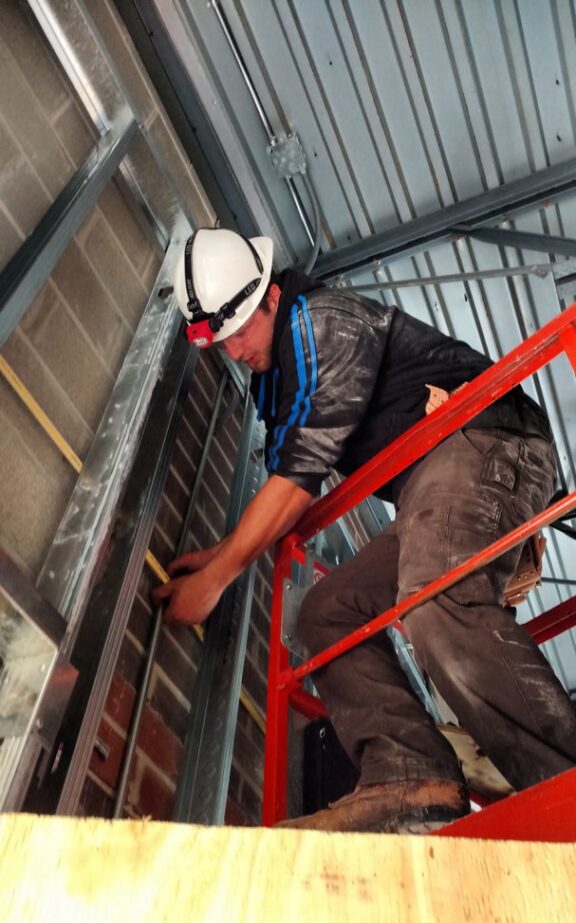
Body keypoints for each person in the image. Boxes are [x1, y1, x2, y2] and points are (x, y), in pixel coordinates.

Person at [154, 226, 576, 833]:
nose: (234, 349)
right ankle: (410, 771)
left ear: (272, 295)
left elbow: (299, 476)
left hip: (483, 439)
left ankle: (562, 780)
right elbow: (286, 480)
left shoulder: (325, 323)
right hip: (426, 487)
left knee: (433, 593)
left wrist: (218, 577)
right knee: (326, 614)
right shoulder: (278, 377)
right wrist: (222, 552)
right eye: (222, 341)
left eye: (240, 329)